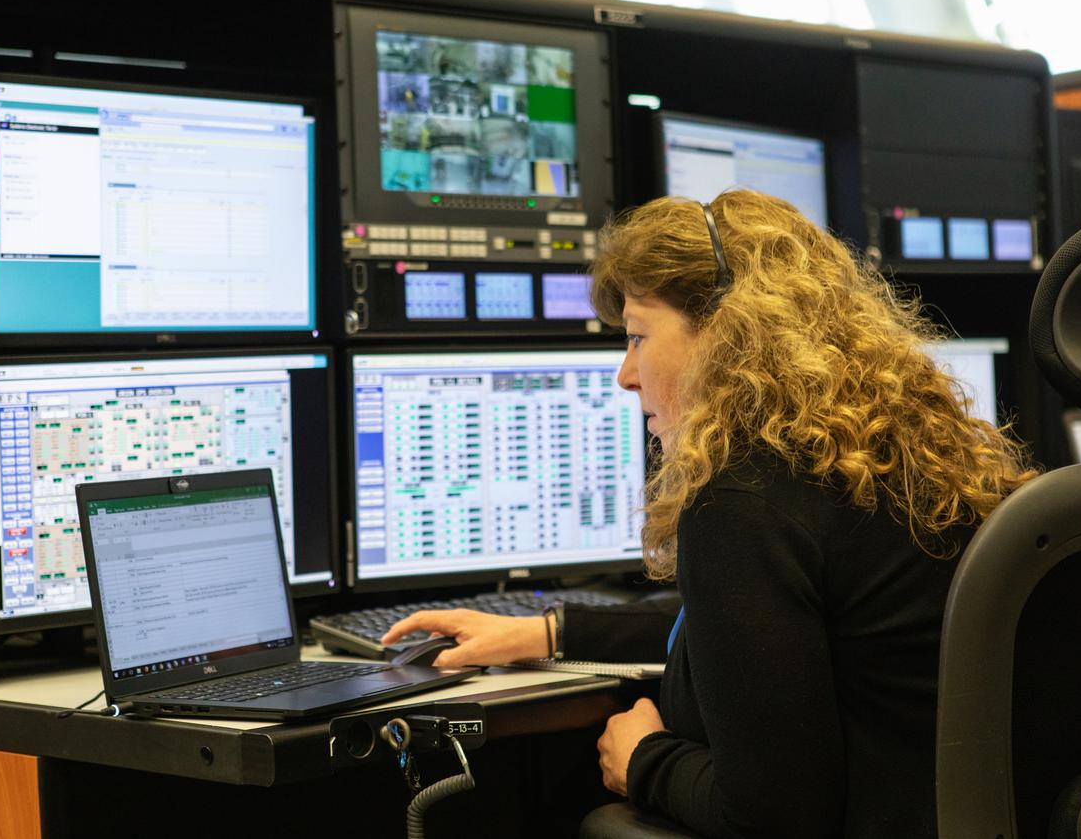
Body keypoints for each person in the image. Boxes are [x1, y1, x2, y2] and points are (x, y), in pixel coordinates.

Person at [382, 189, 1036, 839]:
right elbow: (765, 636)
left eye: (638, 337)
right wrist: (552, 633)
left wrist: (643, 758)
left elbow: (770, 818)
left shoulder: (741, 504)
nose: (624, 375)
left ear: (724, 333)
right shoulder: (891, 459)